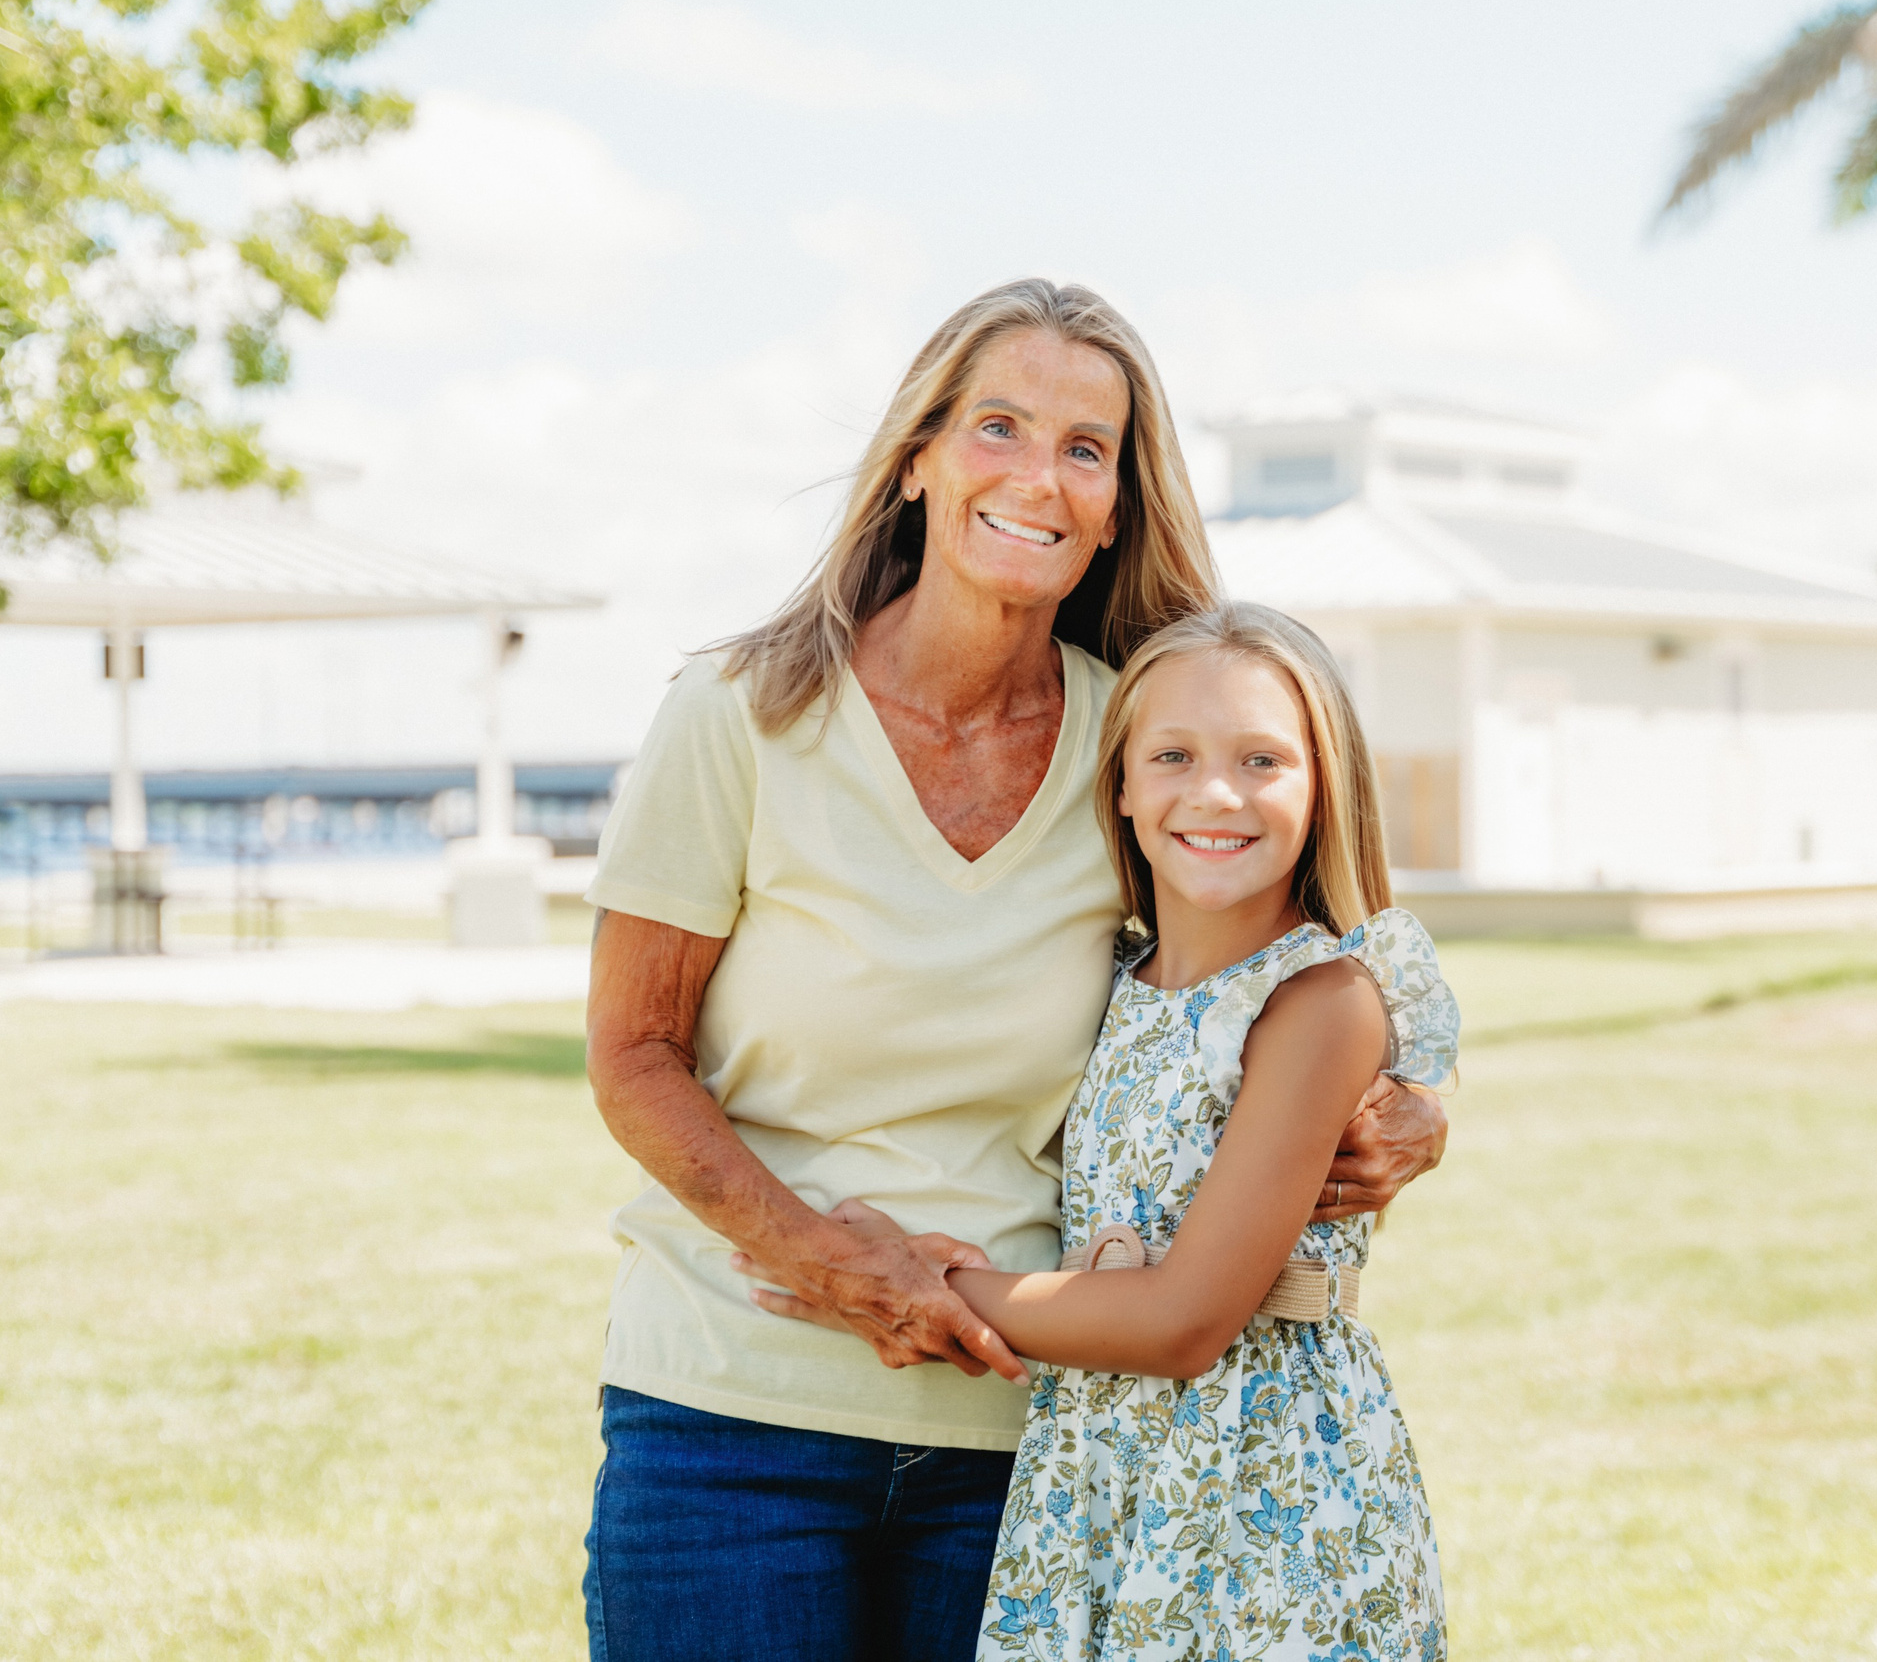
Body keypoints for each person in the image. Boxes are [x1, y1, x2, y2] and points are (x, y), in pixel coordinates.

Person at [580, 280, 1451, 1662]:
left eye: (1087, 449)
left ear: (1117, 506)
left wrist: (1406, 1103)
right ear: (918, 459)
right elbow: (633, 1059)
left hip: (1027, 1445)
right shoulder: (738, 714)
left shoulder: (1151, 740)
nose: (1038, 477)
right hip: (731, 1419)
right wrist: (827, 1257)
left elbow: (1291, 964)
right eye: (998, 426)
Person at [746, 602, 1453, 1661]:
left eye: (1262, 759)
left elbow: (1184, 1320)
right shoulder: (1116, 977)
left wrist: (909, 1283)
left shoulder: (1319, 1002)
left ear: (1325, 785)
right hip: (1101, 1475)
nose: (1214, 793)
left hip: (1265, 1496)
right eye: (1171, 754)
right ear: (1119, 784)